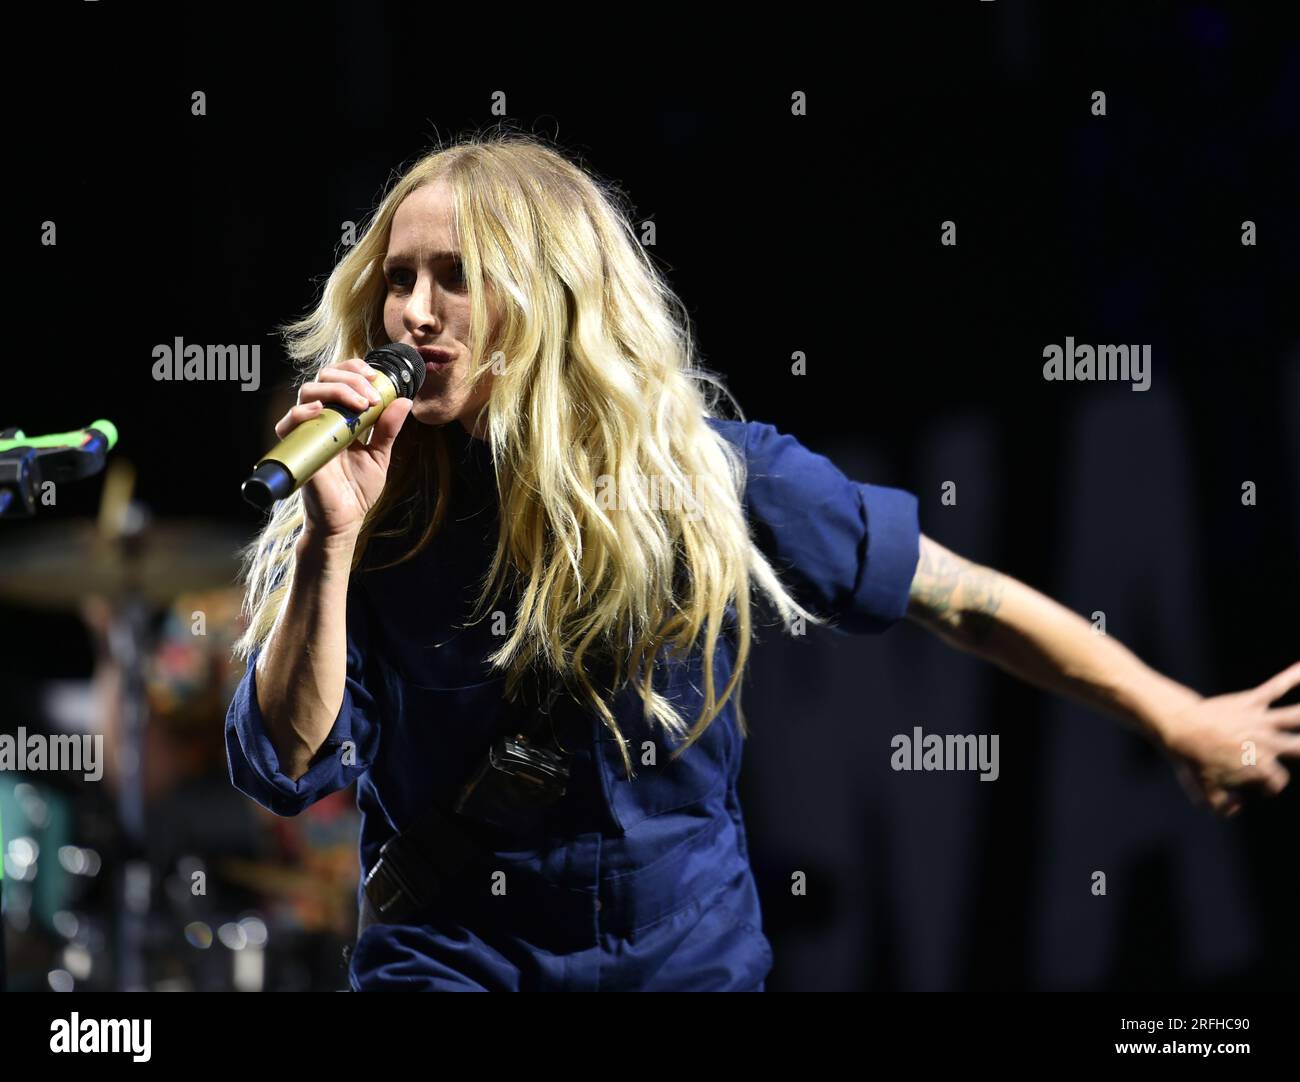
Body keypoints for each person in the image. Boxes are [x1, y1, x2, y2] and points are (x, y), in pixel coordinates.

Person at [224, 134, 1300, 992]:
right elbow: (282, 759)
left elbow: (960, 600)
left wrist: (1176, 715)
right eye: (398, 277)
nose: (413, 312)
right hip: (449, 961)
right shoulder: (373, 513)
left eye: (454, 277)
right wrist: (331, 541)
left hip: (674, 963)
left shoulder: (711, 477)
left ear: (548, 297)